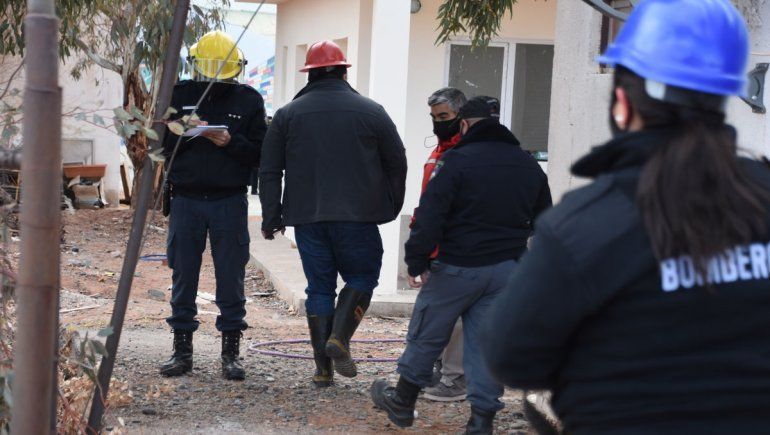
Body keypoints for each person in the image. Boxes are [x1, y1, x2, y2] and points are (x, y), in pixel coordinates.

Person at [482, 1, 770, 433]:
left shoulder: (586, 223)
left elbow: (511, 357)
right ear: (724, 95)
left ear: (622, 102)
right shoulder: (762, 192)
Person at [371, 96, 552, 433]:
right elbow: (545, 220)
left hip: (458, 266)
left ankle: (403, 402)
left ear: (466, 124)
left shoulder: (457, 161)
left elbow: (431, 214)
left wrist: (416, 260)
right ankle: (481, 421)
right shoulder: (527, 164)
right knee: (485, 344)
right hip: (507, 269)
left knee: (427, 333)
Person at [259, 40, 407, 387]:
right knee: (362, 278)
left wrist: (271, 216)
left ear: (309, 74)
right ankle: (339, 339)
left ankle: (323, 369)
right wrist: (390, 206)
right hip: (358, 218)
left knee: (320, 288)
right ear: (344, 70)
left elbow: (268, 170)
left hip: (308, 220)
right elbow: (396, 162)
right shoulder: (372, 111)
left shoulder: (286, 115)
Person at [159, 30, 267, 380]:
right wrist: (186, 133)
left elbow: (259, 155)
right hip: (186, 200)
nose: (214, 82)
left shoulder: (249, 101)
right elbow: (159, 149)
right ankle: (182, 352)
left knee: (231, 276)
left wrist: (229, 141)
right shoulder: (179, 94)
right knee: (183, 274)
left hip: (229, 201)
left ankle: (230, 354)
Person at [418, 87, 468, 402]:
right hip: (435, 247)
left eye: (445, 117)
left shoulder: (466, 154)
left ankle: (457, 380)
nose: (438, 123)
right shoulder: (439, 151)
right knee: (436, 316)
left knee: (456, 320)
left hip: (457, 248)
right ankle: (442, 370)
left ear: (461, 117)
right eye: (435, 117)